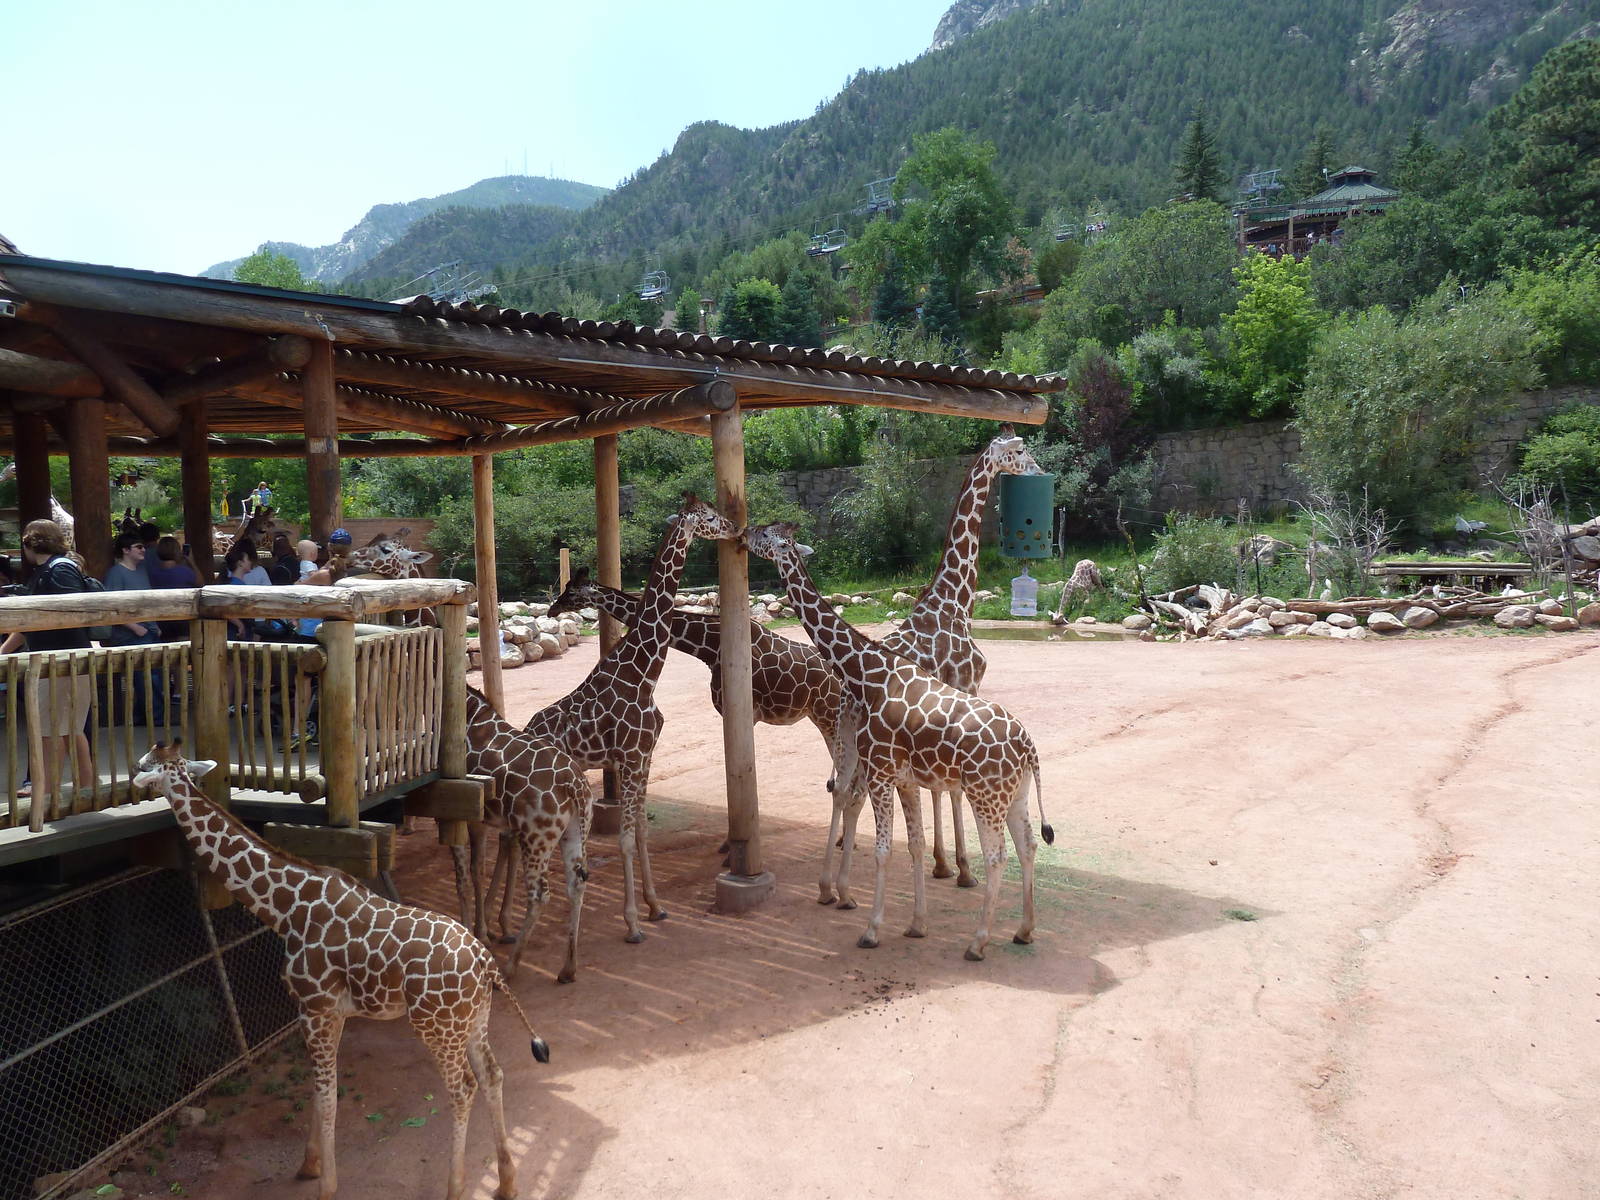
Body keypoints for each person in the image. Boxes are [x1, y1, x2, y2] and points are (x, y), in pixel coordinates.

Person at [0, 520, 96, 809]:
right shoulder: (53, 570)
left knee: (50, 732)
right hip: (64, 662)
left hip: (61, 663)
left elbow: (71, 613)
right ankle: (85, 792)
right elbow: (34, 623)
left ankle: (49, 796)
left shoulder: (59, 570)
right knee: (69, 730)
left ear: (30, 542)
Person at [103, 531, 165, 725]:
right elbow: (110, 607)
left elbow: (148, 602)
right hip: (131, 635)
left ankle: (143, 716)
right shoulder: (115, 573)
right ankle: (156, 718)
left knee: (151, 676)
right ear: (125, 550)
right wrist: (135, 628)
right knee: (149, 677)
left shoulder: (142, 570)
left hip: (149, 631)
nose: (143, 550)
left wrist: (154, 625)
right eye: (139, 547)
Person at [147, 536, 199, 642]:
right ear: (177, 551)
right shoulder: (185, 572)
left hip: (161, 617)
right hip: (183, 616)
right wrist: (191, 561)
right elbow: (201, 583)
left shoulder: (152, 573)